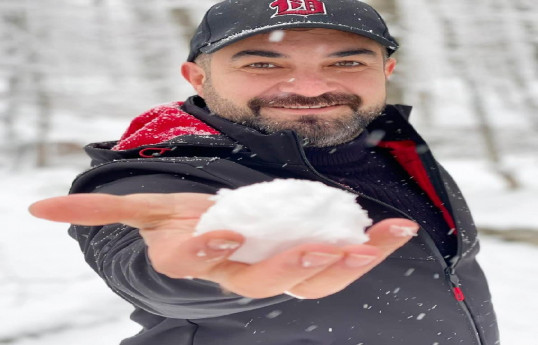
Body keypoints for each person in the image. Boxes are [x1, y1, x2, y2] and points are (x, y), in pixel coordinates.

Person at [30, 0, 499, 344]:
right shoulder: (160, 172)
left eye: (347, 61)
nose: (311, 88)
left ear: (387, 69)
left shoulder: (390, 141)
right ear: (197, 78)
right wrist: (208, 272)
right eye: (262, 63)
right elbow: (151, 267)